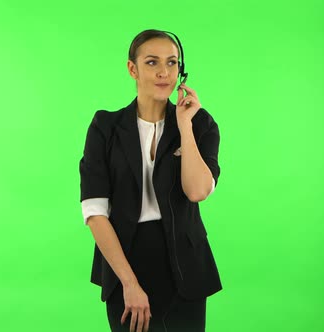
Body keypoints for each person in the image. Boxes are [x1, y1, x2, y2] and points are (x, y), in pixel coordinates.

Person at [79, 29, 222, 332]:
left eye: (172, 63)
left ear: (181, 70)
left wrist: (185, 126)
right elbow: (94, 212)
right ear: (133, 69)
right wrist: (128, 283)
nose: (163, 73)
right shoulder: (105, 127)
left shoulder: (201, 124)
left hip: (185, 265)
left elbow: (197, 191)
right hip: (125, 257)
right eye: (152, 62)